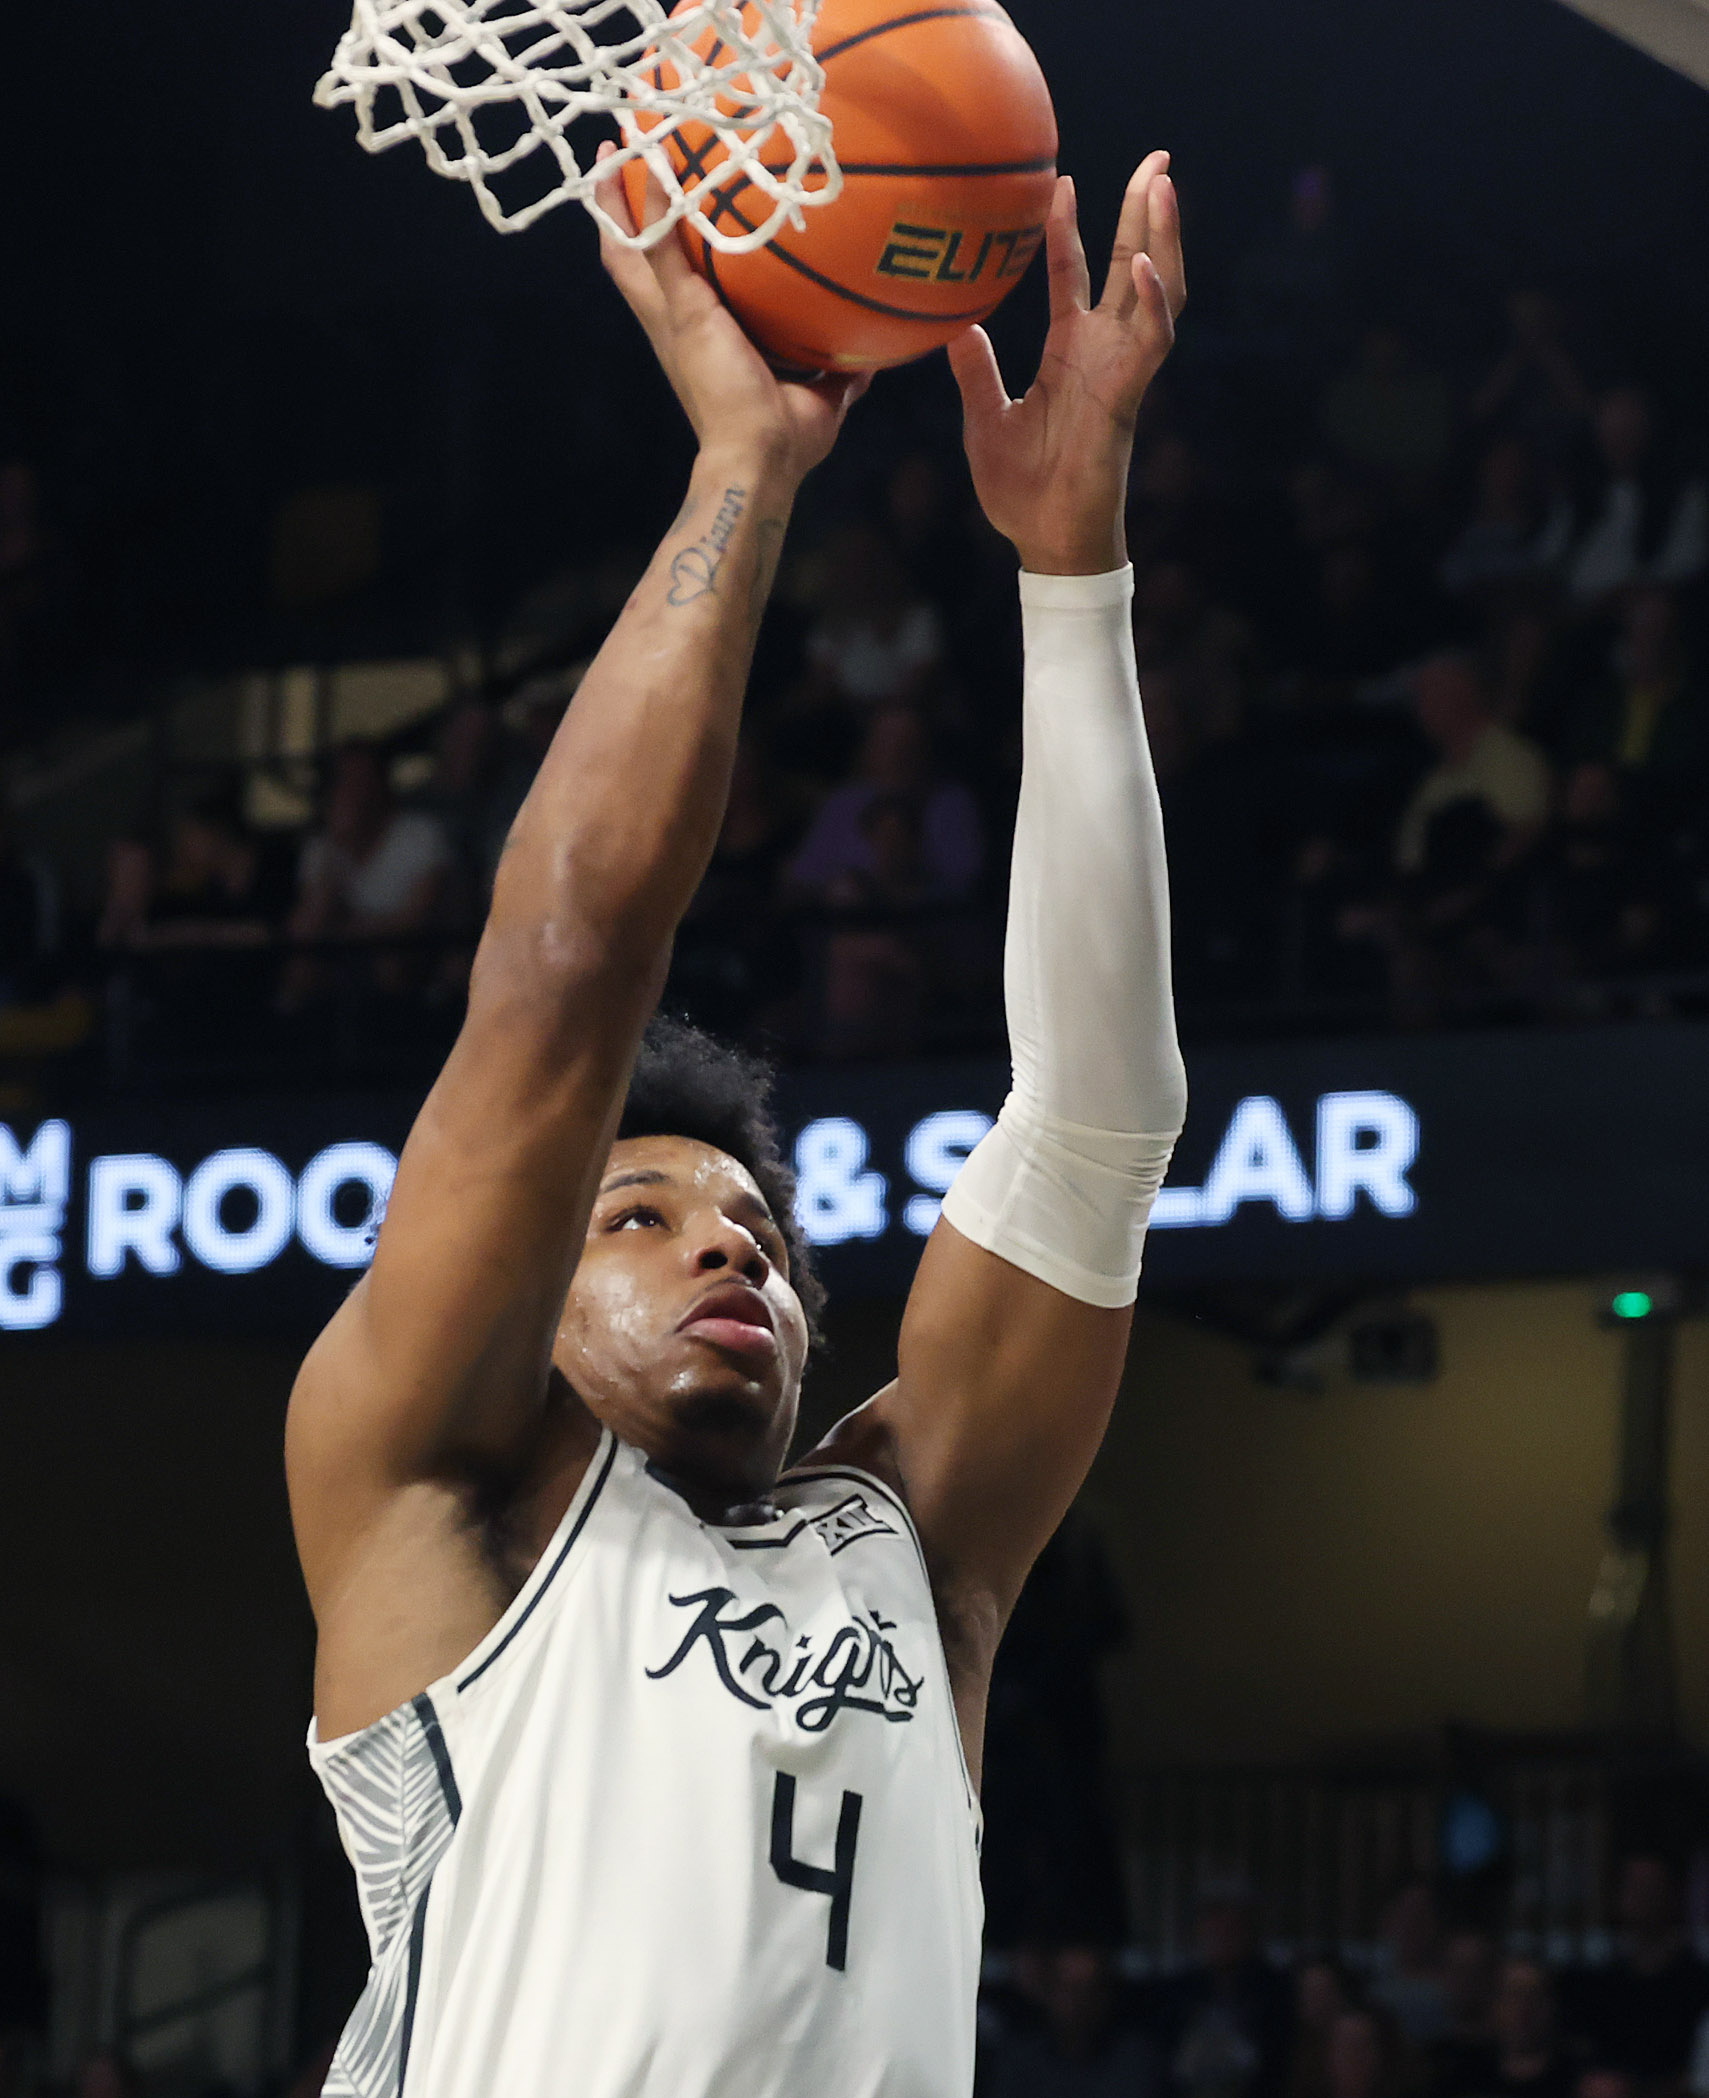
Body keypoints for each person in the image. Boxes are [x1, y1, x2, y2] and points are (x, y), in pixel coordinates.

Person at [286, 147, 1189, 2098]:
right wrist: (741, 472)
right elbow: (566, 959)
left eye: (767, 1243)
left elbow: (1098, 1123)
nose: (731, 1248)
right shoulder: (442, 1492)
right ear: (518, 1293)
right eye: (642, 1219)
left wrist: (1066, 571)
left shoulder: (903, 1544)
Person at [1564, 1853, 1709, 2084]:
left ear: (1673, 1896)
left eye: (1651, 1887)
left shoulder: (1698, 1983)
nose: (1642, 1896)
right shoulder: (1601, 1983)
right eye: (1634, 1886)